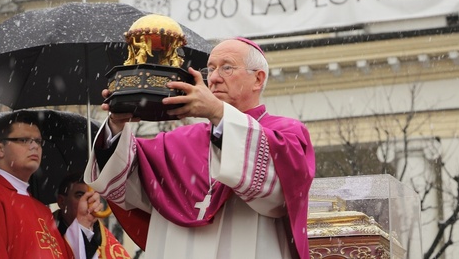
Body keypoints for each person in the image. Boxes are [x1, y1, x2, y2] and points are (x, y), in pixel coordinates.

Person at [85, 37, 316, 259]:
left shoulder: (287, 133)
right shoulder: (177, 141)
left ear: (258, 79)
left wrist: (217, 113)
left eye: (226, 68)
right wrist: (116, 124)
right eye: (210, 70)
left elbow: (279, 195)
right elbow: (124, 183)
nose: (213, 78)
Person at [0, 110, 103, 259]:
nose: (34, 146)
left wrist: (83, 221)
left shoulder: (42, 210)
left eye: (38, 141)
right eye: (23, 140)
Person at [55, 172, 131, 259]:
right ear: (61, 201)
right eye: (79, 196)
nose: (88, 201)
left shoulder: (103, 239)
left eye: (91, 196)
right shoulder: (46, 230)